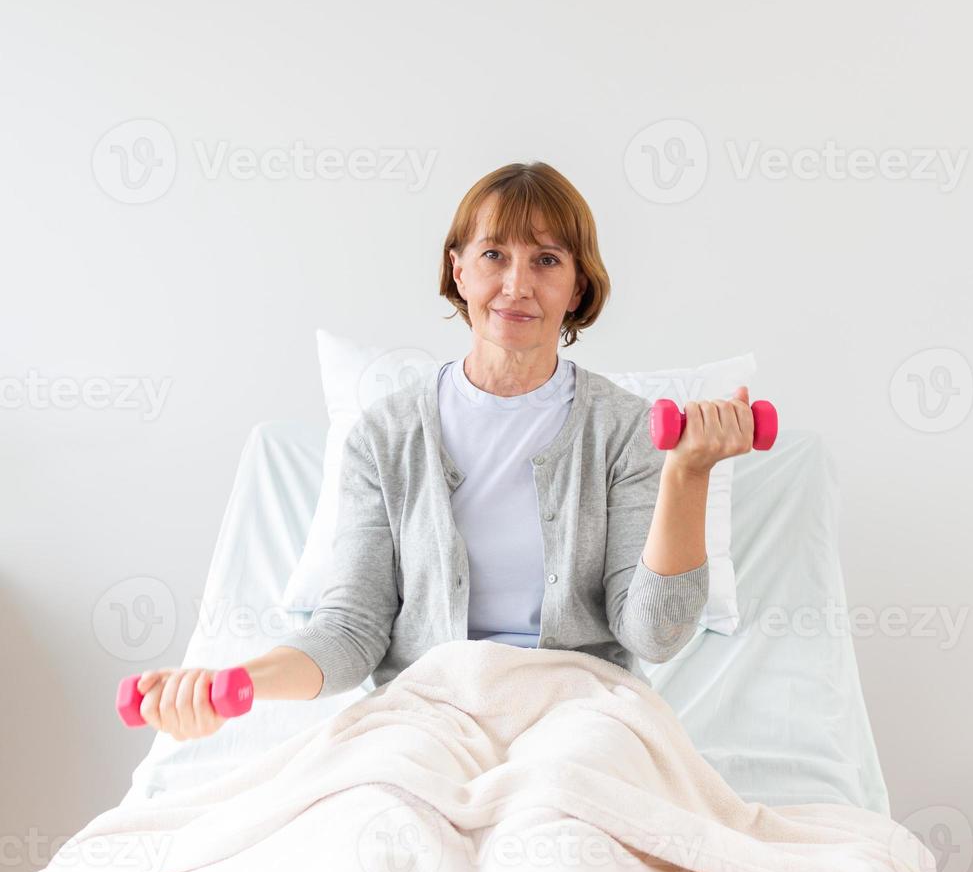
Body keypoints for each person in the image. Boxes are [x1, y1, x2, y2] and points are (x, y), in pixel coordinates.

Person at [134, 161, 753, 740]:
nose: (517, 285)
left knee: (563, 832)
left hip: (581, 712)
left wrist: (688, 474)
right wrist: (234, 684)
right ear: (458, 269)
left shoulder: (625, 430)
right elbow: (350, 632)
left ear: (577, 286)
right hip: (426, 711)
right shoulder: (384, 435)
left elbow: (656, 634)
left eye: (546, 260)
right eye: (493, 255)